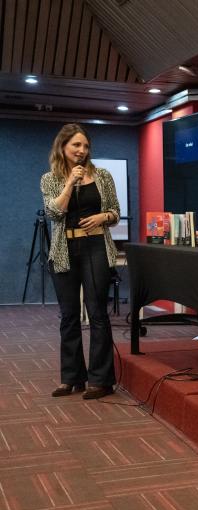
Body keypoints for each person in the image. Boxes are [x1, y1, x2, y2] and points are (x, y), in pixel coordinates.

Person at [41, 123, 120, 399]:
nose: (82, 150)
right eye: (76, 145)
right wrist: (69, 183)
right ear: (63, 146)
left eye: (85, 146)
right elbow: (54, 213)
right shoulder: (50, 178)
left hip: (96, 246)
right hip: (64, 249)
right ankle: (72, 377)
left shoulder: (103, 176)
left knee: (97, 313)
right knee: (69, 315)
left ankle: (101, 380)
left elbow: (115, 212)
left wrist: (103, 217)